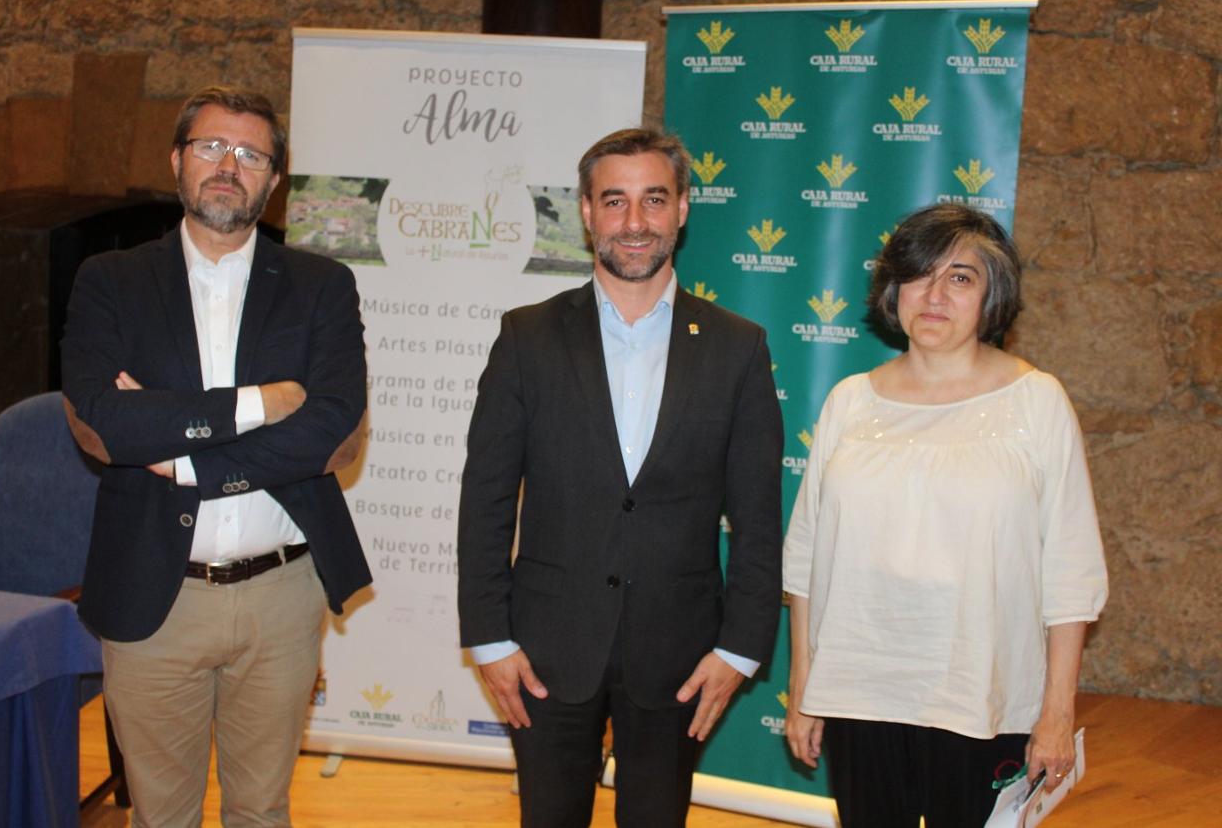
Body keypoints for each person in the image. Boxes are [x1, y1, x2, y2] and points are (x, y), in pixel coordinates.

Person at [62, 86, 371, 827]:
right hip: (152, 596)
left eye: (251, 154)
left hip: (281, 597)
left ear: (273, 181)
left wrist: (193, 461)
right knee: (163, 815)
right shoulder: (111, 282)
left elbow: (332, 429)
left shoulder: (321, 286)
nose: (229, 165)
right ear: (176, 160)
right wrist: (256, 403)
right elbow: (107, 424)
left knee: (261, 810)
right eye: (211, 147)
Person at [457, 128, 783, 827]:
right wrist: (488, 637)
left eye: (653, 200)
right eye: (615, 201)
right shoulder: (527, 337)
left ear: (683, 209)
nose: (634, 222)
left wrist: (740, 647)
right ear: (586, 212)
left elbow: (759, 517)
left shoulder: (738, 347)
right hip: (544, 651)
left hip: (683, 656)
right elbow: (485, 498)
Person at [782, 203, 1108, 828]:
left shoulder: (1036, 402)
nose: (934, 295)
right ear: (892, 288)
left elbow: (1071, 571)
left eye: (959, 277)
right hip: (861, 689)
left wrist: (1057, 712)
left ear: (993, 297)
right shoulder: (849, 403)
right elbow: (805, 560)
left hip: (980, 694)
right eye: (918, 275)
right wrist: (804, 687)